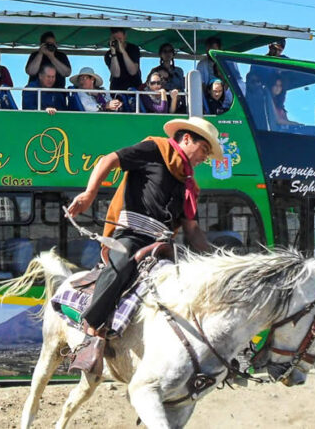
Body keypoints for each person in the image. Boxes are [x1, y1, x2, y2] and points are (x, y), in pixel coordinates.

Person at [65, 117, 221, 374]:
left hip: (163, 244)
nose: (205, 158)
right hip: (132, 234)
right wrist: (90, 193)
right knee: (122, 260)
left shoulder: (188, 183)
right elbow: (109, 159)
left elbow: (192, 230)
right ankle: (91, 333)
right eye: (204, 150)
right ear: (187, 139)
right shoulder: (155, 149)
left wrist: (217, 260)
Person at [104, 27, 141, 93]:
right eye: (115, 39)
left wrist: (123, 51)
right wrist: (113, 53)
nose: (118, 42)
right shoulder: (108, 54)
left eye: (120, 39)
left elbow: (133, 71)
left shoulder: (133, 49)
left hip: (134, 88)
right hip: (116, 89)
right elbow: (116, 74)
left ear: (125, 36)